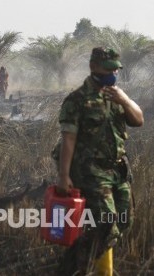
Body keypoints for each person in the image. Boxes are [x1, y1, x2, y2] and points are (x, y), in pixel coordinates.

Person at [55, 47, 143, 275]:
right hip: (91, 171)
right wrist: (64, 176)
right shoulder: (77, 100)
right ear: (93, 67)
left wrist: (124, 100)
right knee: (106, 222)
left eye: (116, 69)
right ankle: (74, 269)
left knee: (124, 221)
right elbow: (69, 139)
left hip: (118, 171)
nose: (113, 73)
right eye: (108, 68)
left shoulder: (116, 96)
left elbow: (138, 119)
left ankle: (84, 262)